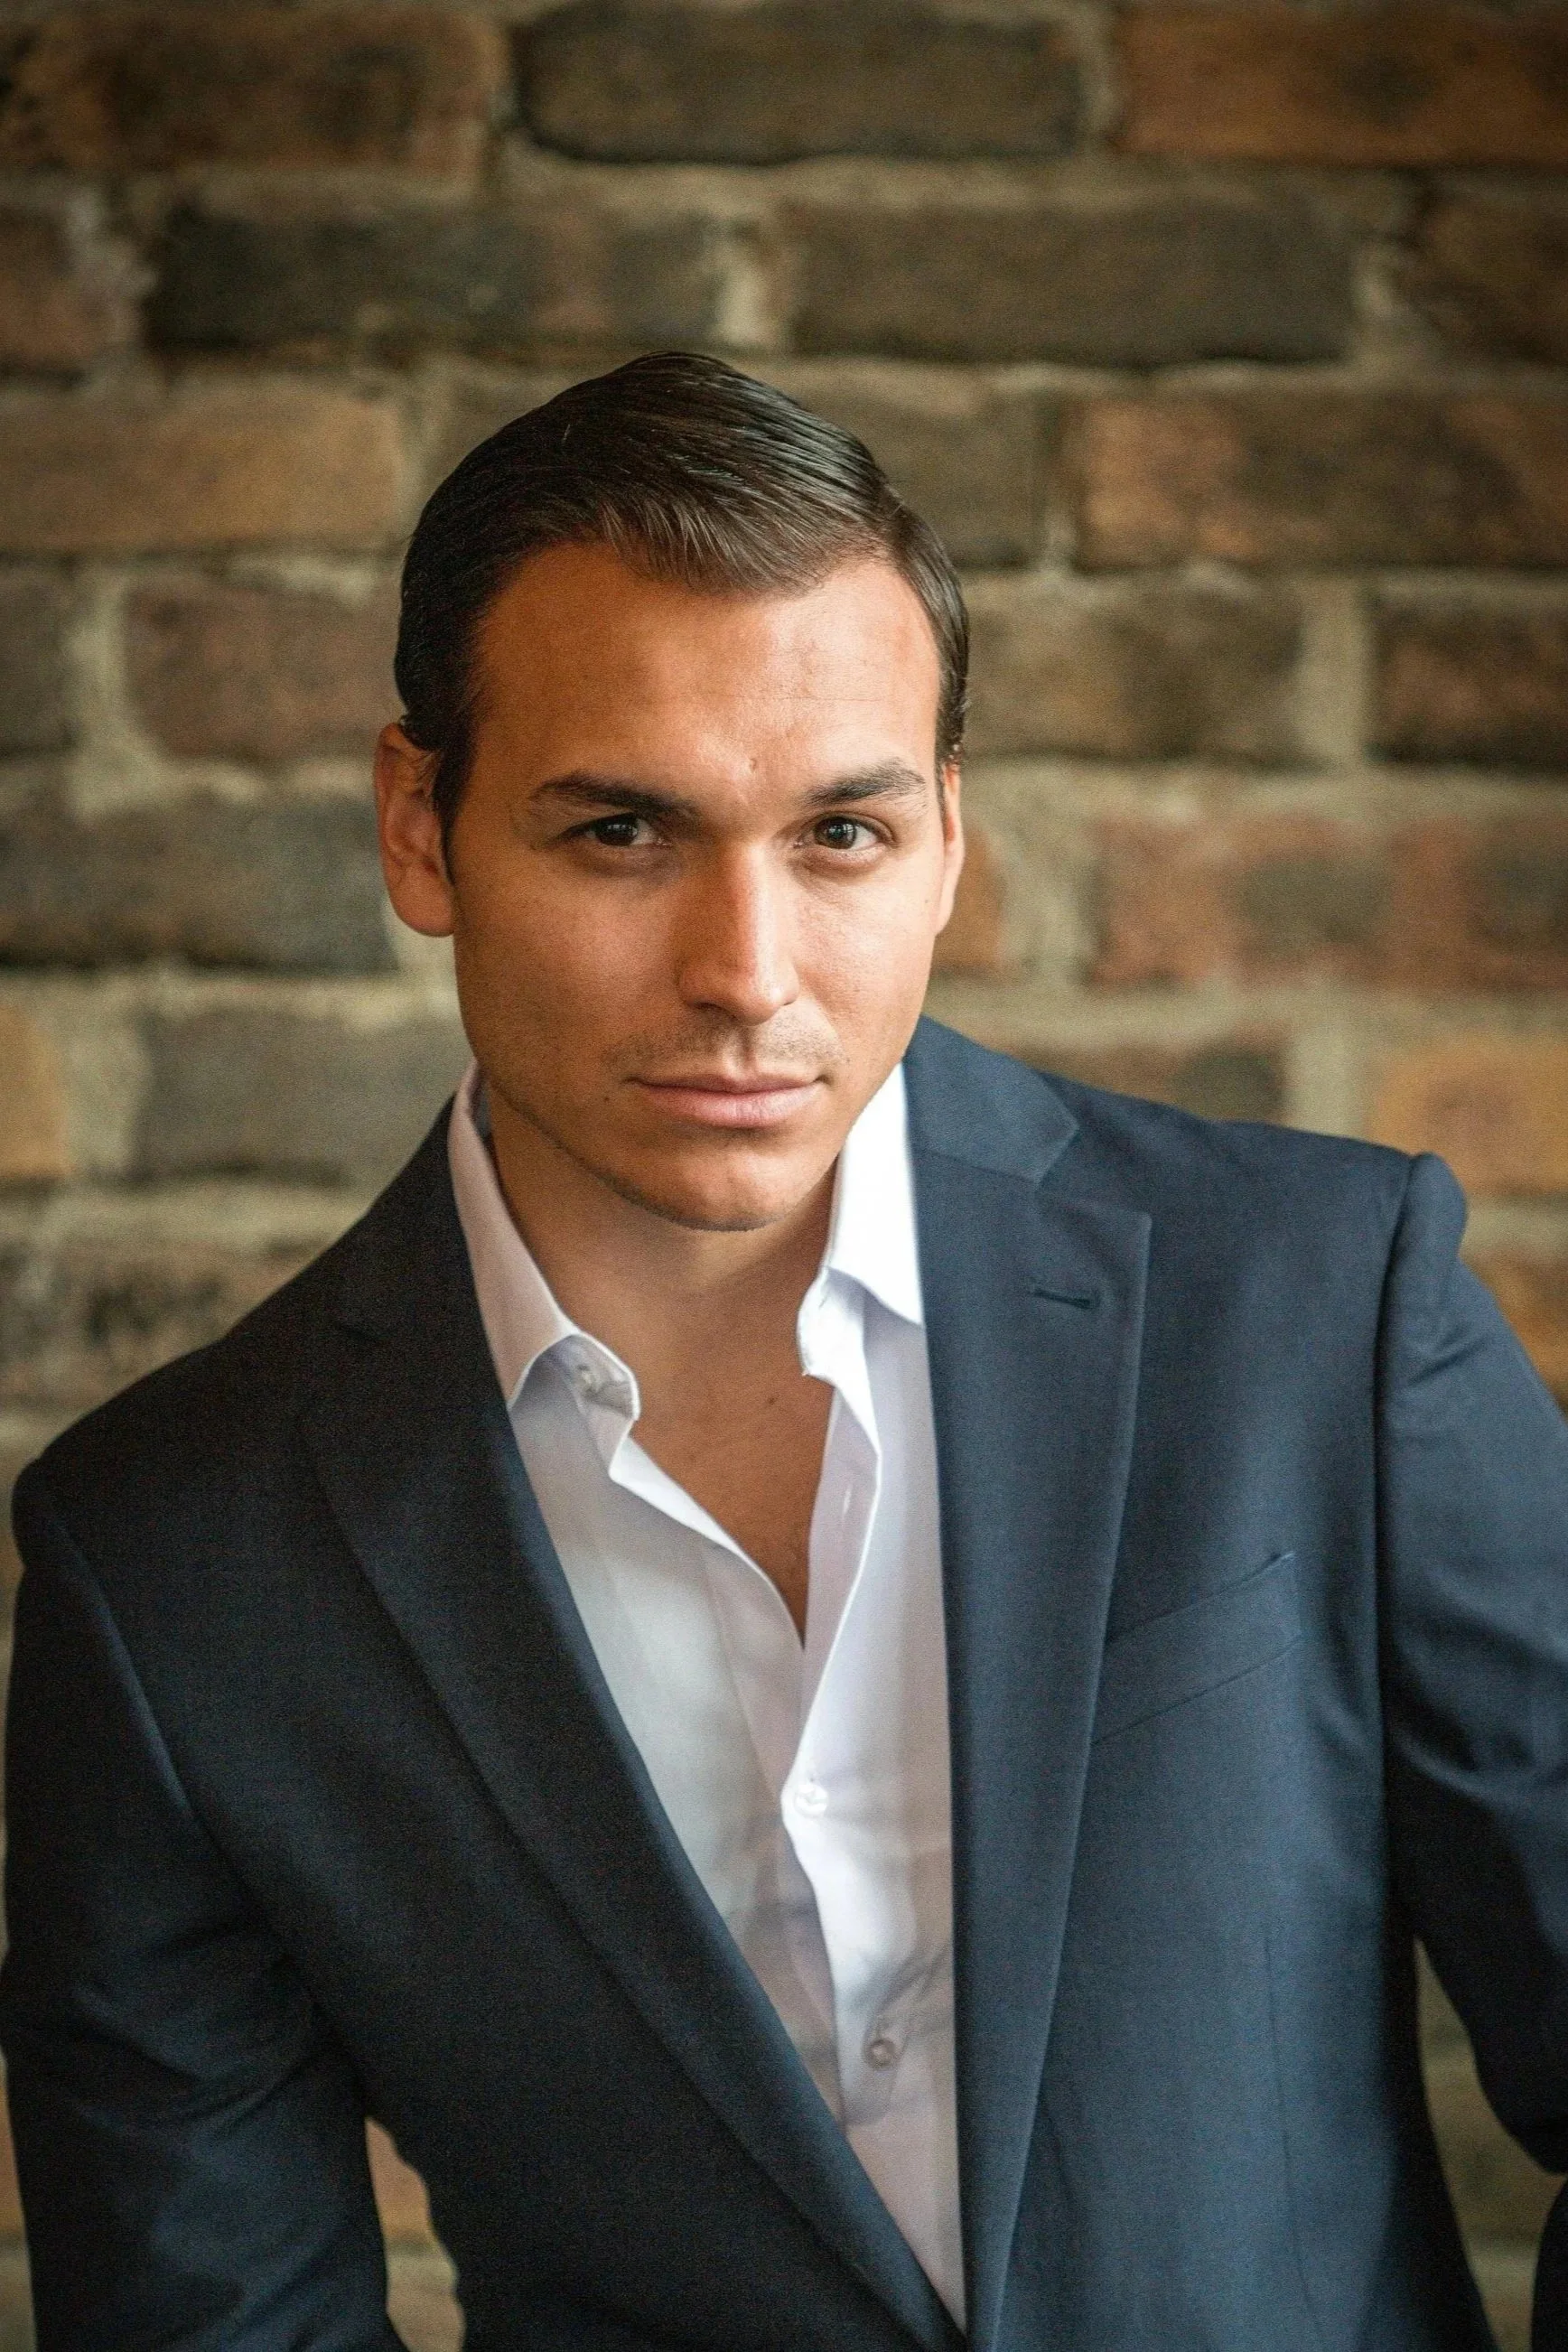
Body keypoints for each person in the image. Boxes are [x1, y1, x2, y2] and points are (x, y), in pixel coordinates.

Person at [3, 350, 1565, 2352]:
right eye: (620, 834)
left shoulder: (1319, 1309)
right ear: (420, 830)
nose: (746, 976)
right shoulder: (171, 1566)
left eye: (838, 834)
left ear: (939, 841)